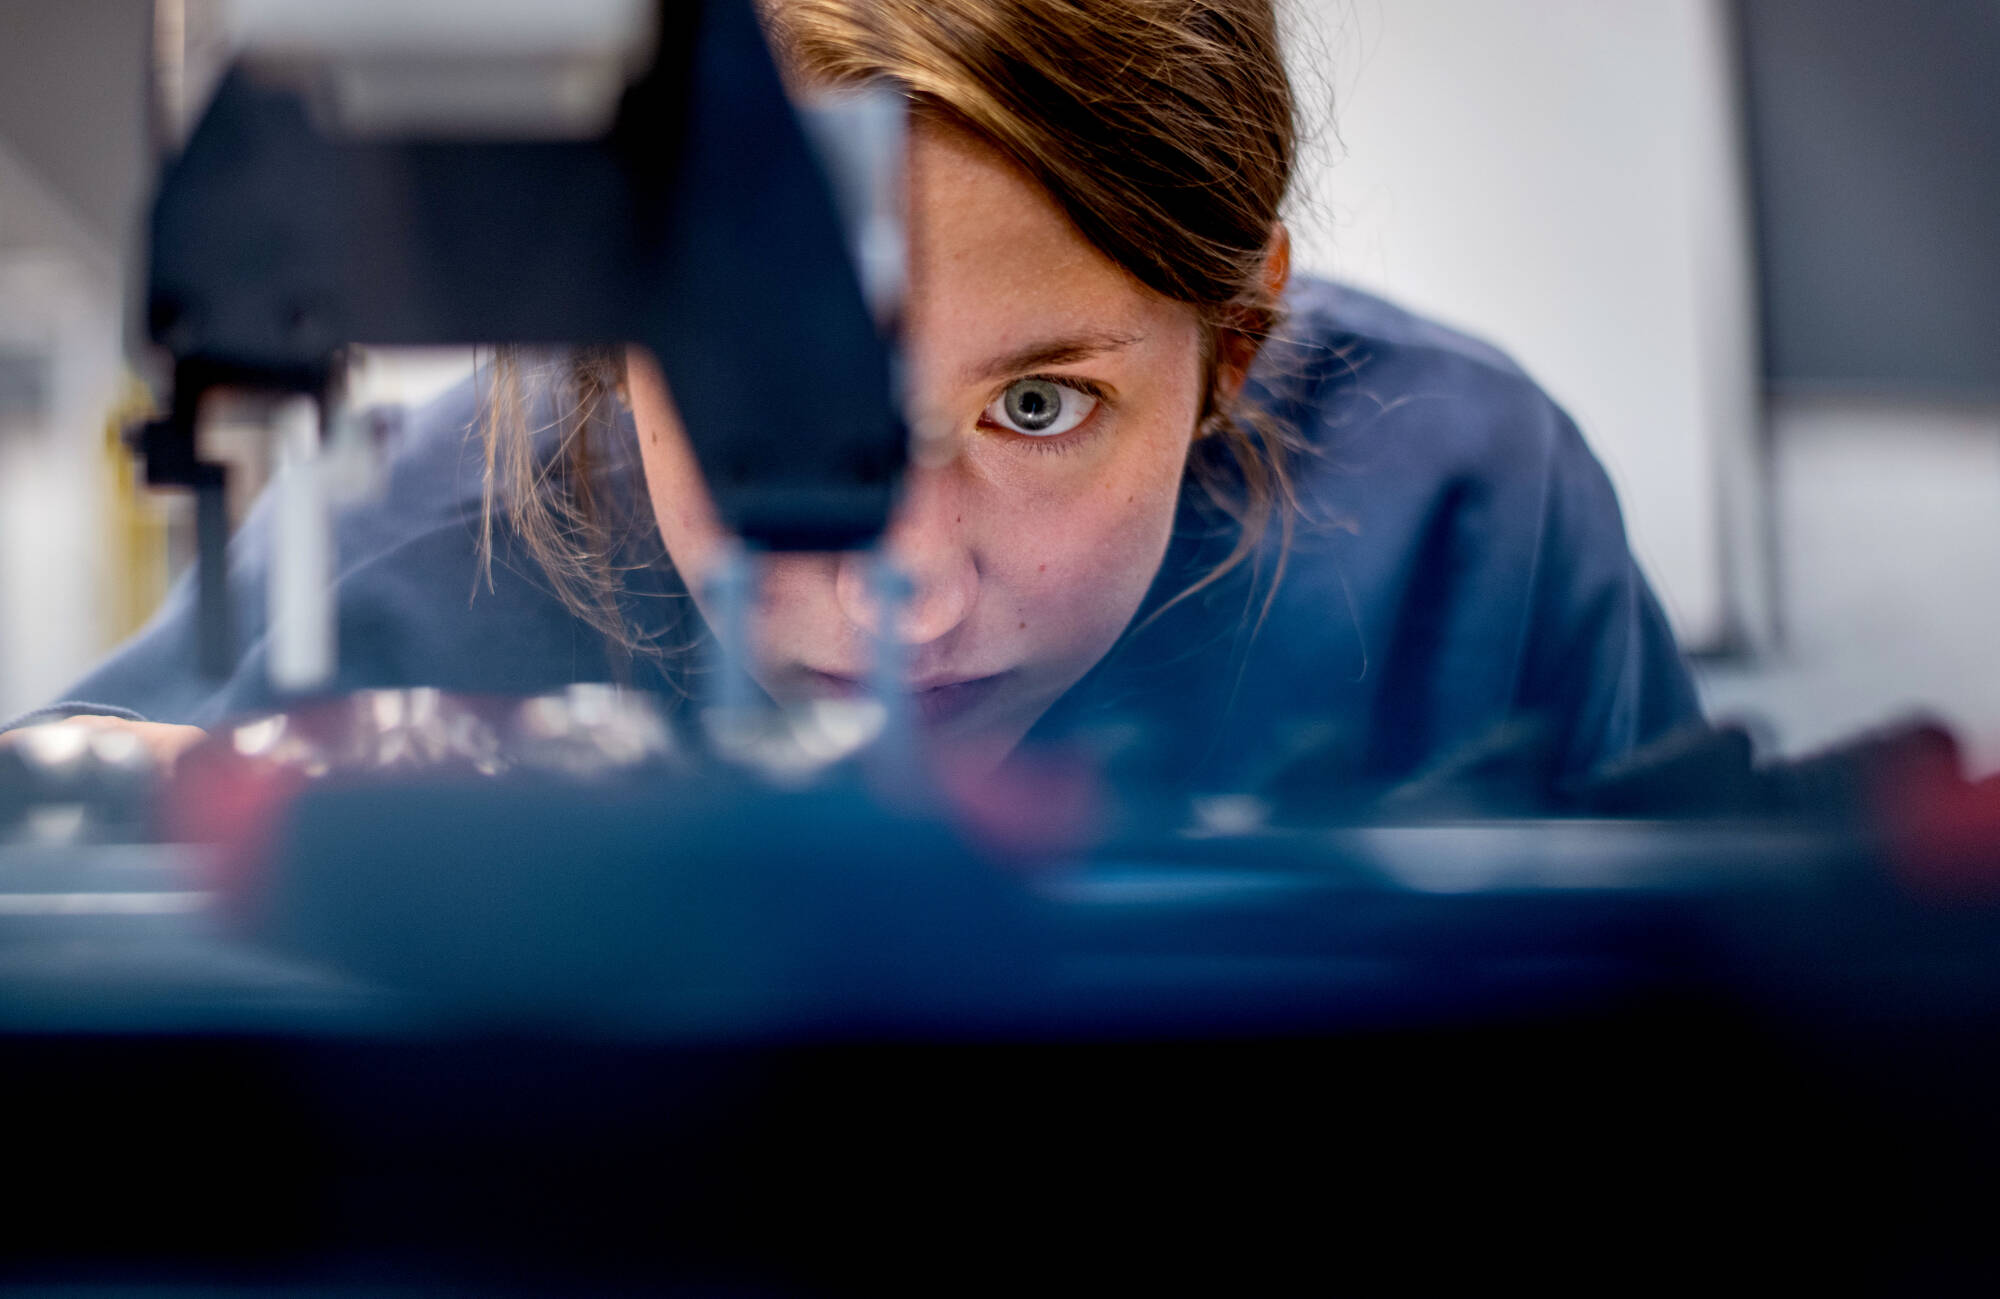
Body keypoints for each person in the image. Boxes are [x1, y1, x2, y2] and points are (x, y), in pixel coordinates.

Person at [6, 0, 1697, 804]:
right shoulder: (430, 562)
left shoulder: (1475, 511)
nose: (909, 594)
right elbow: (51, 811)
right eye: (784, 405)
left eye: (1038, 408)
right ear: (617, 347)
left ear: (1230, 350)